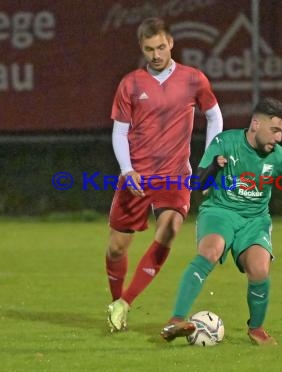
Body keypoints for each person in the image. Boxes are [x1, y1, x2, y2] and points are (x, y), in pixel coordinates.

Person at [160, 97, 282, 345]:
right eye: (275, 130)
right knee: (210, 252)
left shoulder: (280, 159)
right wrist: (213, 167)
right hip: (220, 211)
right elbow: (198, 184)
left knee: (259, 269)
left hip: (255, 219)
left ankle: (256, 329)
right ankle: (176, 320)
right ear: (256, 124)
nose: (279, 139)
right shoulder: (225, 142)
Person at [105, 17, 223, 332]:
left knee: (169, 228)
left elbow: (214, 116)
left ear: (170, 42)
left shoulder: (193, 79)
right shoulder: (130, 83)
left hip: (175, 175)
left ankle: (125, 302)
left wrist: (207, 161)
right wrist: (127, 169)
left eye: (160, 47)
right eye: (149, 49)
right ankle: (116, 303)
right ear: (142, 49)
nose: (156, 54)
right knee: (117, 247)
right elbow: (119, 132)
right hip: (138, 176)